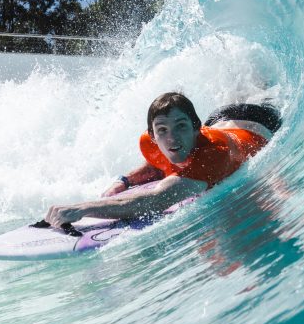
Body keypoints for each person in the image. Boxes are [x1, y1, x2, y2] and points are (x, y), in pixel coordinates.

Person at [43, 92, 281, 228]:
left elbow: (158, 200)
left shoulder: (212, 157)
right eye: (162, 130)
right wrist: (124, 180)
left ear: (196, 128)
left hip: (260, 122)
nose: (172, 137)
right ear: (153, 136)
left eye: (180, 127)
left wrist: (83, 208)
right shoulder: (154, 141)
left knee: (263, 94)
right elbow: (161, 165)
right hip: (221, 116)